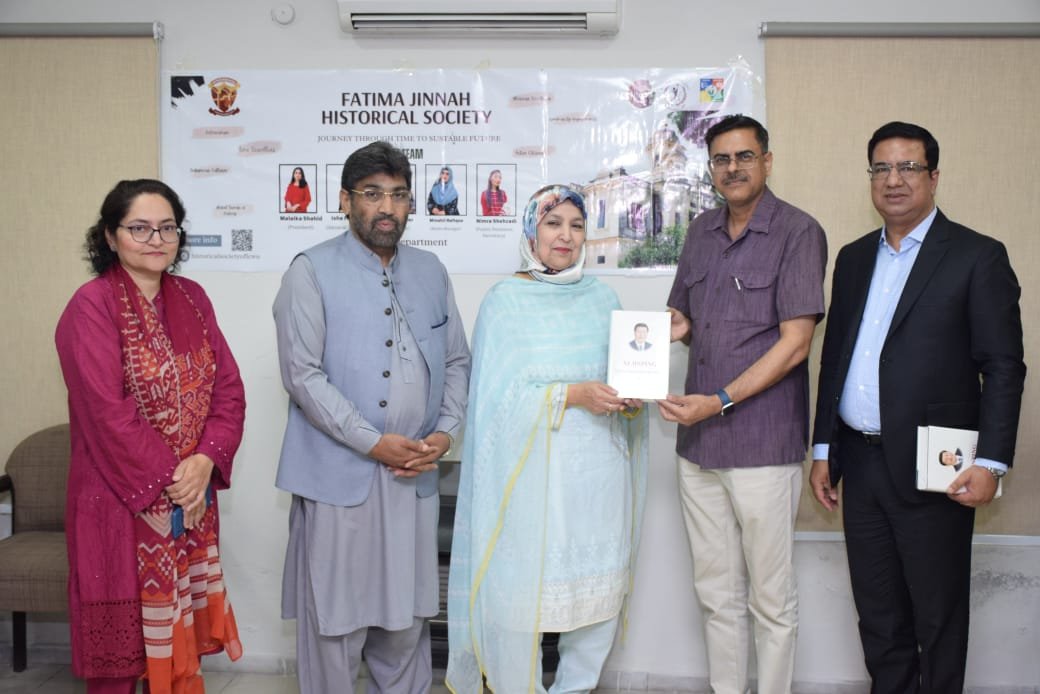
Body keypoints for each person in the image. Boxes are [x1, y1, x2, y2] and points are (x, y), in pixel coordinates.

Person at [810, 121, 1025, 693]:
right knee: (879, 617)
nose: (894, 180)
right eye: (881, 168)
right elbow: (834, 361)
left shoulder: (978, 257)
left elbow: (1004, 367)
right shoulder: (855, 259)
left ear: (933, 177)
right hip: (861, 463)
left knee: (938, 616)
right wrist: (824, 449)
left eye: (908, 167)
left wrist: (993, 463)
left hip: (939, 468)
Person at [274, 141, 471, 693]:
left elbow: (456, 359)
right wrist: (371, 441)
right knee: (335, 626)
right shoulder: (310, 271)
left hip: (412, 478)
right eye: (372, 194)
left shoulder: (432, 270)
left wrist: (443, 433)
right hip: (340, 479)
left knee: (407, 623)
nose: (387, 207)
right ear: (345, 201)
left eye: (399, 195)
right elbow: (303, 376)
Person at [446, 184, 649, 694]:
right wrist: (571, 394)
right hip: (531, 483)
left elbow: (619, 374)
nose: (565, 235)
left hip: (597, 479)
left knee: (595, 603)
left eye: (576, 225)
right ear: (531, 231)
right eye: (553, 223)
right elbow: (494, 401)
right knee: (523, 604)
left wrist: (628, 397)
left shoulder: (603, 298)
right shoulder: (505, 302)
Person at [55, 179, 245, 694]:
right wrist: (171, 480)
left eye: (167, 228)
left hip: (190, 498)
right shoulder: (90, 306)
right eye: (138, 228)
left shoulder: (192, 297)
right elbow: (106, 413)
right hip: (118, 501)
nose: (155, 239)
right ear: (110, 238)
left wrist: (205, 461)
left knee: (178, 635)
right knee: (120, 659)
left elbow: (228, 389)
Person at [659, 114, 827, 694]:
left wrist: (720, 400)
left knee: (771, 599)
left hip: (761, 444)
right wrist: (654, 336)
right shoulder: (701, 230)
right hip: (698, 448)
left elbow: (796, 342)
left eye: (744, 157)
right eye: (722, 160)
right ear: (712, 169)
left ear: (767, 161)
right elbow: (684, 320)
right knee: (715, 593)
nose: (733, 168)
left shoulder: (799, 232)